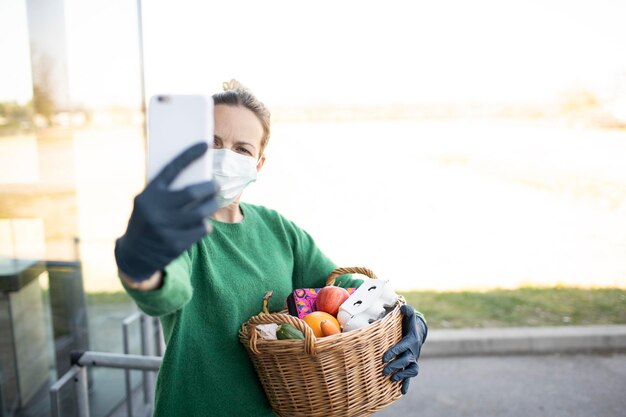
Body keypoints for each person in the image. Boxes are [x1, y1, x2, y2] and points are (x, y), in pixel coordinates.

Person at [115, 80, 428, 416]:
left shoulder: (277, 229)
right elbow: (164, 291)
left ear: (258, 164)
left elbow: (341, 290)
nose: (225, 156)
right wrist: (139, 261)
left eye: (242, 149)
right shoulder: (182, 231)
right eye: (213, 143)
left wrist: (406, 316)